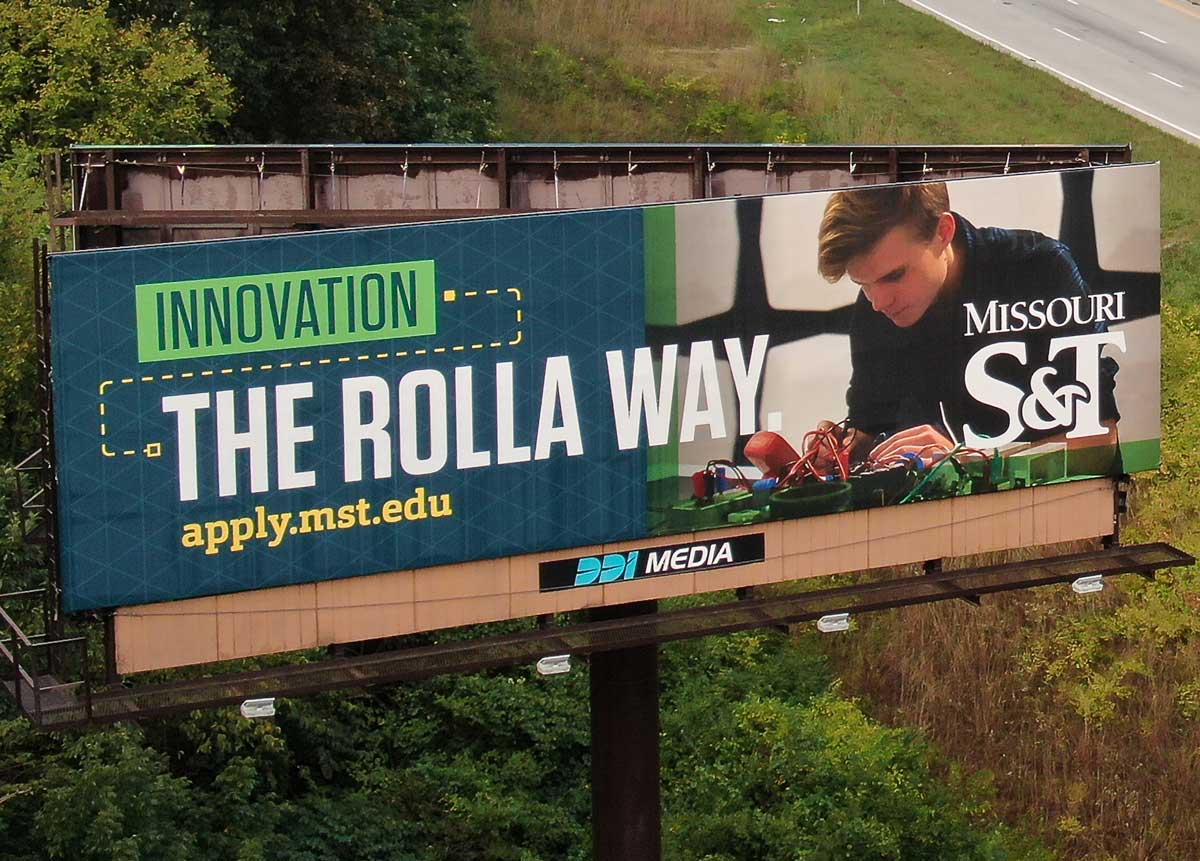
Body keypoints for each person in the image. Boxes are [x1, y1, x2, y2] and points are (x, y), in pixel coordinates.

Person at [807, 180, 1120, 472]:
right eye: (863, 284)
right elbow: (869, 427)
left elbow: (1098, 443)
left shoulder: (1040, 269)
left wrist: (970, 463)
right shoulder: (875, 309)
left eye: (894, 276)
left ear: (943, 231)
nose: (879, 302)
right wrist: (838, 449)